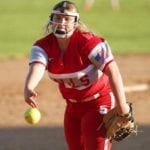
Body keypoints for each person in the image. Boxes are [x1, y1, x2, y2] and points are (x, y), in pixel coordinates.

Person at [24, 1, 129, 149]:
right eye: (58, 18)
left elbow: (113, 72)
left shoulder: (89, 43)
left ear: (75, 22)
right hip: (72, 108)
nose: (61, 23)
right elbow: (37, 67)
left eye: (67, 19)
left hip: (99, 103)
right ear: (51, 20)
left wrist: (122, 106)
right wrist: (29, 86)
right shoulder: (42, 46)